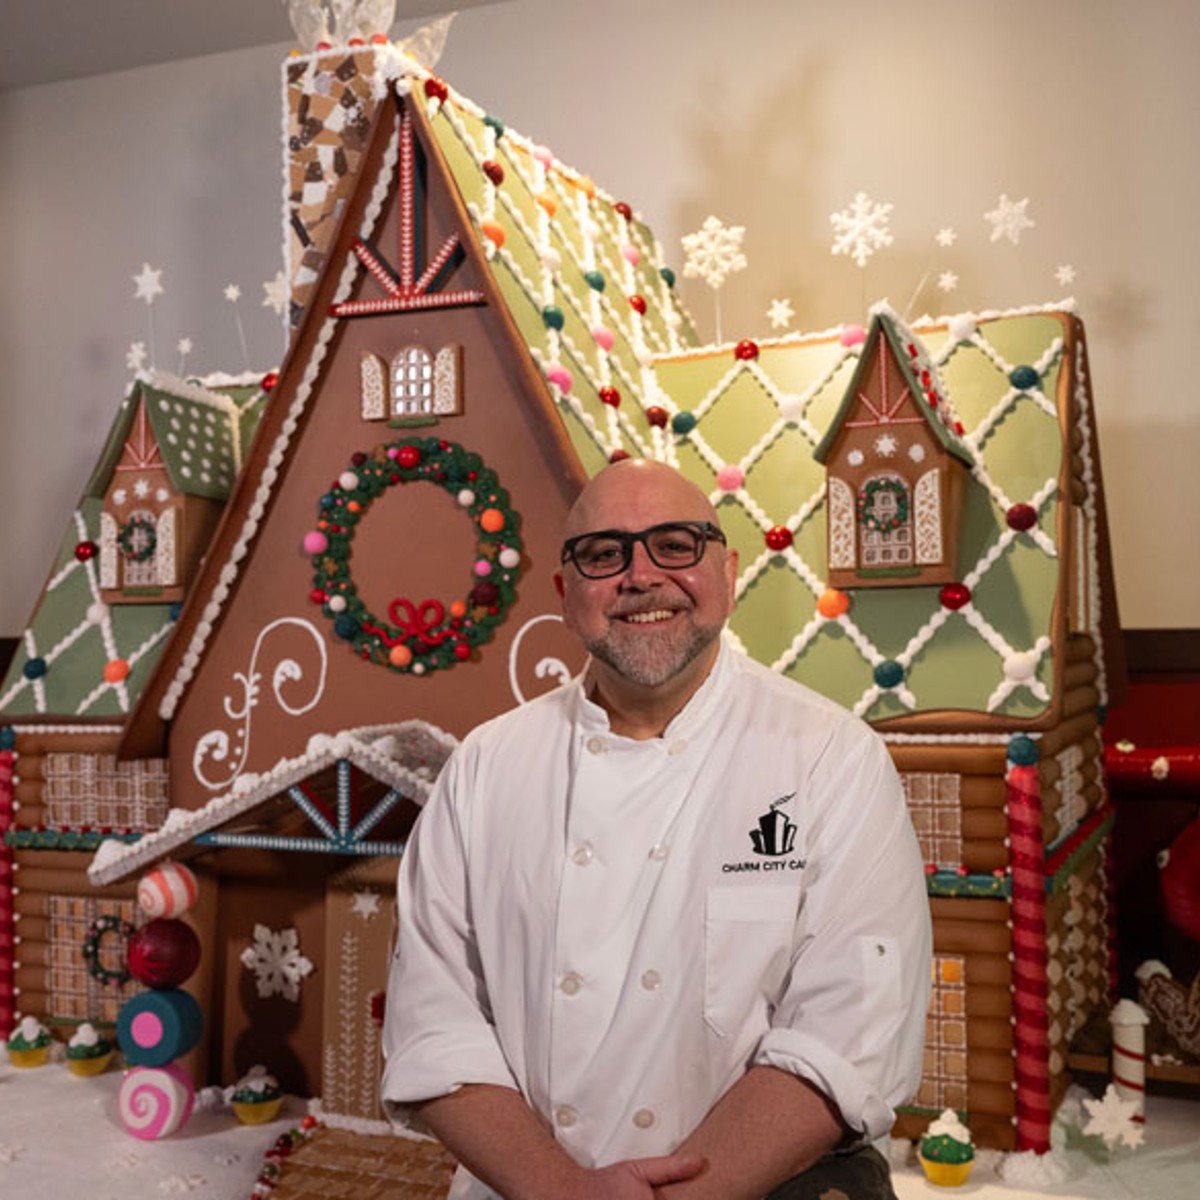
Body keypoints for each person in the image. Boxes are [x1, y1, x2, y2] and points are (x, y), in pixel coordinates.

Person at [381, 458, 931, 1199]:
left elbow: (846, 1038)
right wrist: (562, 1190)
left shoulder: (832, 758)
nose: (641, 575)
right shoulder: (486, 766)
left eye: (676, 543)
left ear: (728, 573)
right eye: (603, 554)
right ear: (566, 594)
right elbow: (433, 1029)